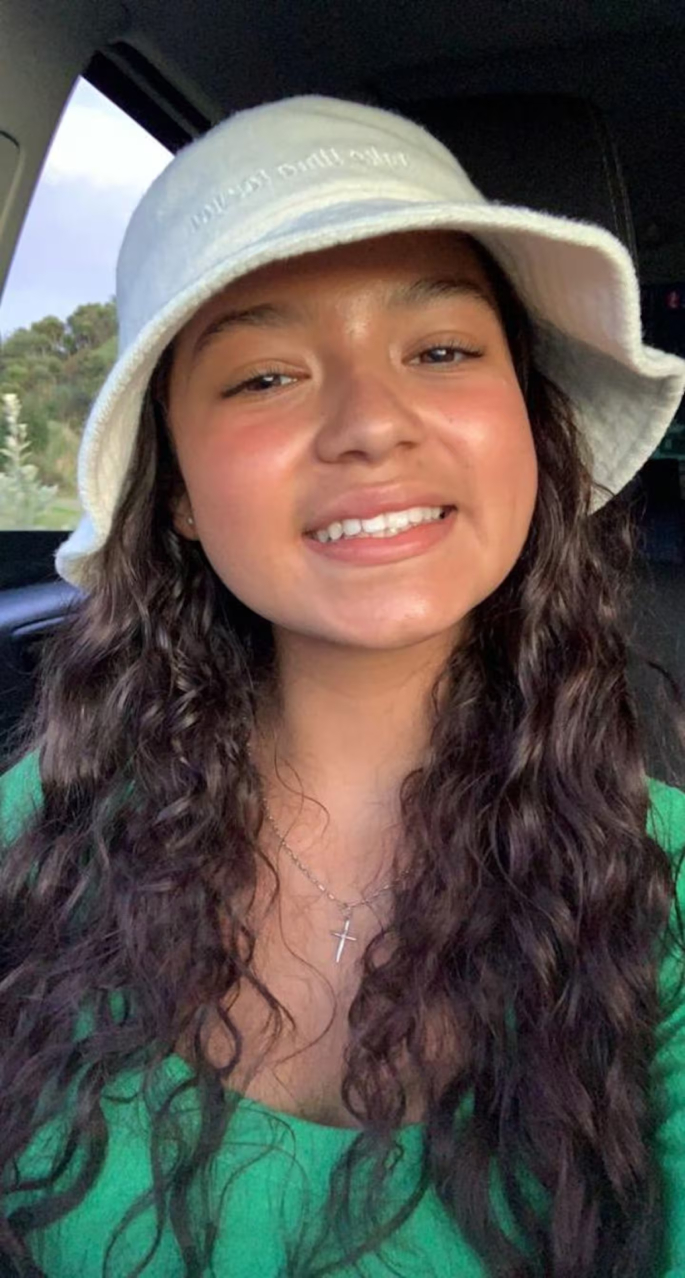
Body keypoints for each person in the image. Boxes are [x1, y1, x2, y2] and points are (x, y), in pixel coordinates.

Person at [1, 93, 685, 1278]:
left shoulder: (662, 896)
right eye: (265, 376)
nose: (370, 424)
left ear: (527, 426)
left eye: (442, 352)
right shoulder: (34, 845)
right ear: (177, 490)